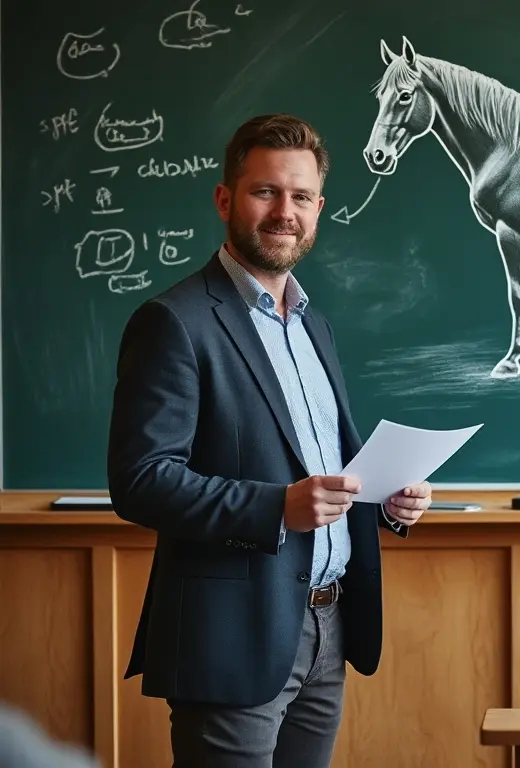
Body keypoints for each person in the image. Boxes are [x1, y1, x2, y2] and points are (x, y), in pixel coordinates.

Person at [106, 114, 432, 768]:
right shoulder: (174, 323)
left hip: (328, 625)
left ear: (319, 209)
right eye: (266, 192)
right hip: (232, 635)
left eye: (302, 197)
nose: (286, 212)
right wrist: (274, 507)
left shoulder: (315, 328)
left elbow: (324, 471)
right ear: (226, 199)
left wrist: (384, 495)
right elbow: (140, 481)